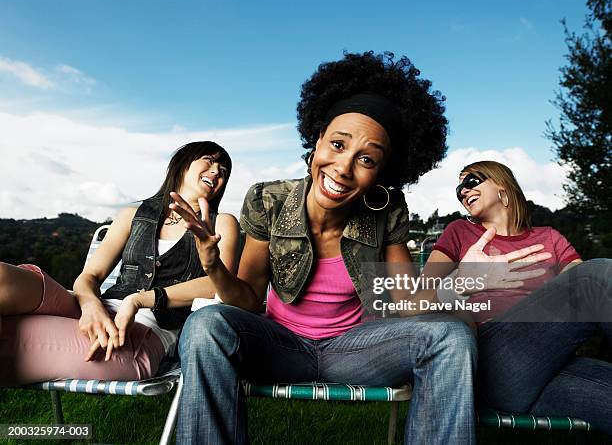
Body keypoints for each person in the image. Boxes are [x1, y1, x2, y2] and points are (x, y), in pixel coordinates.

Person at [171, 51, 477, 444]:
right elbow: (246, 301)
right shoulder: (269, 199)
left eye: (366, 158)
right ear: (316, 142)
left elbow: (404, 302)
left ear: (380, 173)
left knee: (450, 335)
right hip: (281, 345)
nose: (344, 167)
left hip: (355, 350)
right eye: (337, 144)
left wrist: (454, 297)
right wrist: (214, 267)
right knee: (205, 325)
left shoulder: (388, 210)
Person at [0, 141, 239, 385]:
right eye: (209, 160)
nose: (217, 171)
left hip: (142, 330)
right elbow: (89, 276)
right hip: (92, 310)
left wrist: (138, 300)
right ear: (182, 165)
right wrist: (92, 305)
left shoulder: (223, 223)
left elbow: (218, 287)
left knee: (12, 336)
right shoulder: (132, 215)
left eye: (223, 171)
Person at [423, 160, 612, 434]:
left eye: (470, 182)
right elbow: (421, 296)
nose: (463, 191)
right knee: (594, 276)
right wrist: (462, 282)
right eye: (458, 189)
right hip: (493, 357)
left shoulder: (550, 238)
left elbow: (589, 291)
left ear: (502, 186)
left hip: (544, 365)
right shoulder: (459, 232)